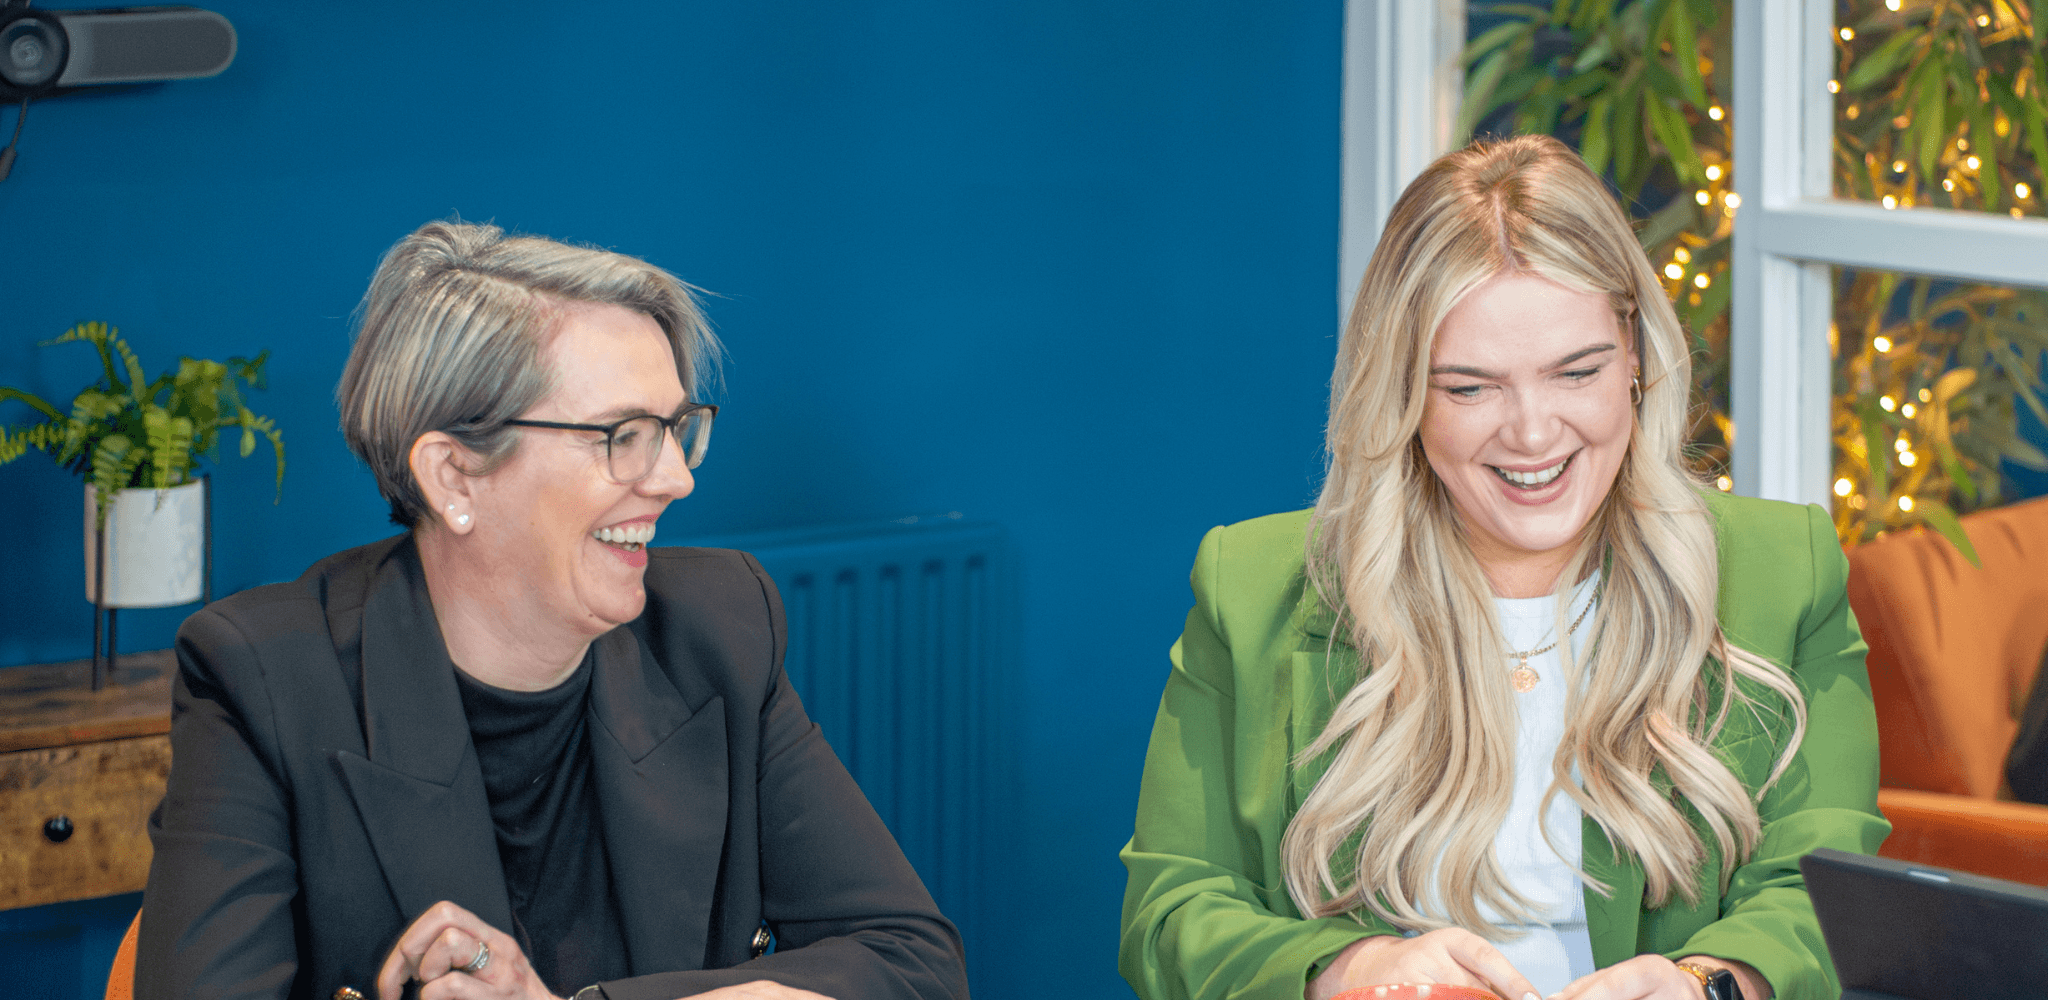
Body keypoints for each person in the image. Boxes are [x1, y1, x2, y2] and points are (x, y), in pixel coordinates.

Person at [1118, 135, 1886, 1000]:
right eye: (1470, 387)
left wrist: (1706, 984)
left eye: (1576, 372)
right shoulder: (1250, 585)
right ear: (1404, 391)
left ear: (1635, 355)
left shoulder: (1787, 569)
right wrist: (1349, 970)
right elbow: (1171, 912)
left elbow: (1824, 893)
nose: (1532, 433)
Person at [138, 221, 969, 1000]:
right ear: (455, 476)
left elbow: (912, 961)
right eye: (623, 435)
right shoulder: (264, 681)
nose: (676, 478)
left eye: (676, 428)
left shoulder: (718, 630)